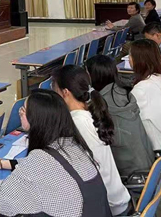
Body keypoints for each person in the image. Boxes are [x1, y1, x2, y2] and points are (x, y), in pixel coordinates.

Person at [0, 89, 113, 217]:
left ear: (37, 119)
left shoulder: (40, 160)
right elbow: (51, 167)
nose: (20, 113)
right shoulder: (71, 144)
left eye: (24, 110)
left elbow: (2, 200)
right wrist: (3, 163)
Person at [52, 66, 131, 216]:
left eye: (55, 91)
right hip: (117, 198)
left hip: (107, 207)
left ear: (65, 92)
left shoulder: (77, 123)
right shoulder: (90, 112)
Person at [85, 55, 155, 178]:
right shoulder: (124, 92)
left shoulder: (103, 105)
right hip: (148, 165)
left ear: (93, 76)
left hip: (130, 174)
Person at [128, 39, 161, 151]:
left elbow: (130, 119)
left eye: (130, 55)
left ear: (138, 60)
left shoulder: (141, 89)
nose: (129, 59)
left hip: (157, 148)